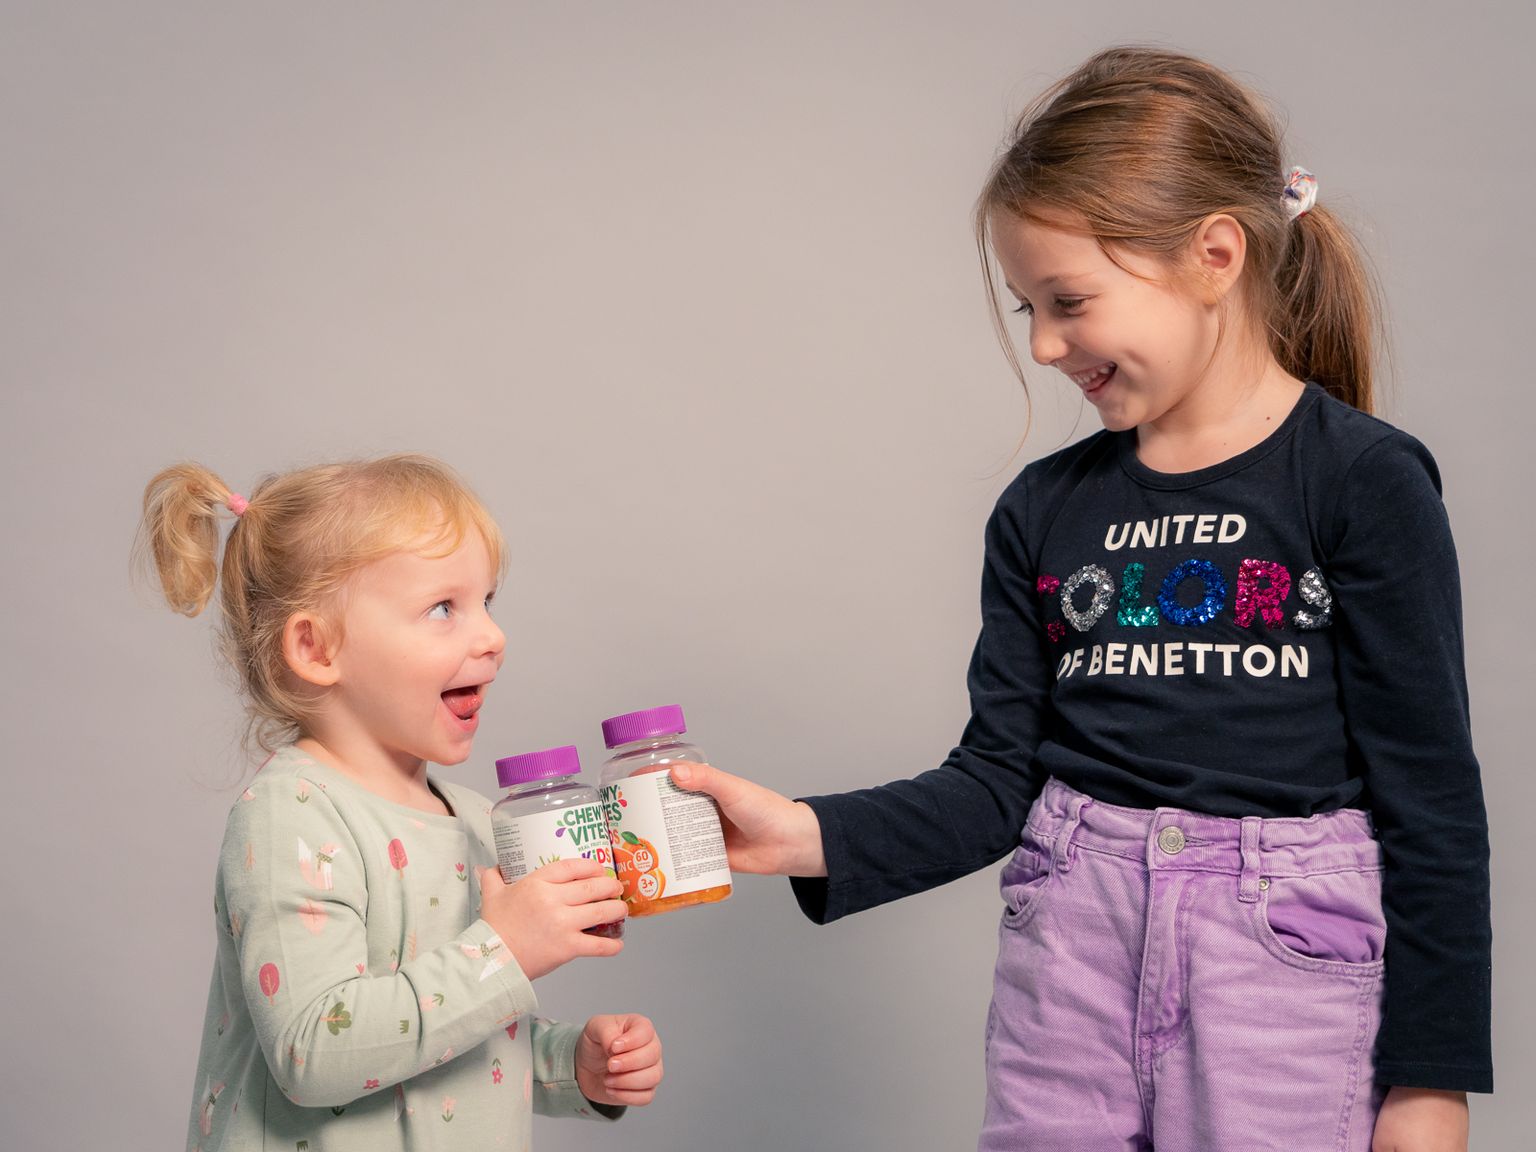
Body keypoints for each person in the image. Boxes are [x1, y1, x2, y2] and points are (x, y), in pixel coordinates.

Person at [671, 47, 1490, 1152]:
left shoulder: (1363, 481)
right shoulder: (1041, 511)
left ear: (1214, 256)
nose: (1046, 345)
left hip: (1282, 973)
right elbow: (995, 780)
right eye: (1029, 309)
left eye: (1069, 302)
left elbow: (1431, 799)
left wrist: (1432, 1079)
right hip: (1072, 953)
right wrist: (808, 835)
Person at [139, 455, 663, 1152]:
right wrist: (503, 950)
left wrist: (572, 1066)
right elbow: (315, 1052)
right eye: (444, 608)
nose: (493, 638)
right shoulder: (292, 816)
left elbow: (451, 1033)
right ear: (316, 647)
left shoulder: (475, 820)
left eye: (487, 602)